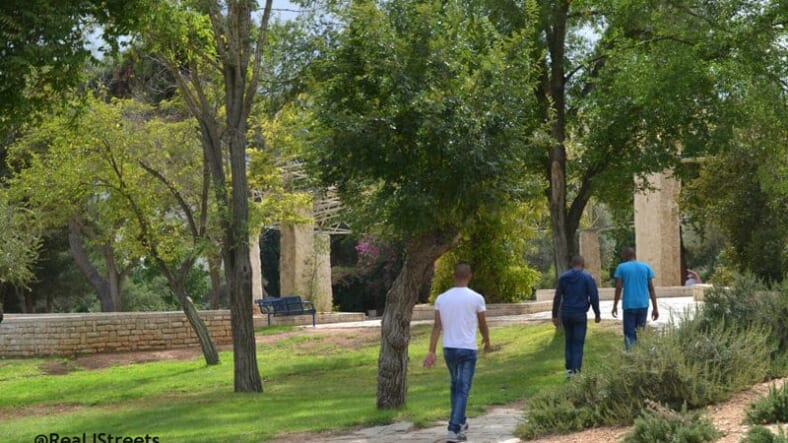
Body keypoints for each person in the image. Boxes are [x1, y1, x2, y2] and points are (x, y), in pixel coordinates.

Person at [423, 262, 492, 443]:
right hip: (468, 349)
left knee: (455, 386)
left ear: (454, 276)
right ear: (469, 276)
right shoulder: (476, 298)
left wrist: (431, 350)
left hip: (449, 349)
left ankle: (460, 421)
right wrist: (487, 340)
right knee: (463, 389)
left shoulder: (442, 298)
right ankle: (454, 428)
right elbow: (482, 323)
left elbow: (437, 326)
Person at [551, 255, 601, 378]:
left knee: (569, 340)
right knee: (578, 342)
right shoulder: (587, 278)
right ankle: (576, 370)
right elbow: (593, 296)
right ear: (582, 265)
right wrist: (597, 313)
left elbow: (557, 296)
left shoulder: (563, 278)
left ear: (571, 264)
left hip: (566, 313)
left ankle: (569, 369)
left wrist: (554, 315)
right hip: (580, 314)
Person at [612, 247, 659, 349]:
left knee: (629, 334)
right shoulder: (646, 267)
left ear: (625, 256)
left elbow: (619, 287)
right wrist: (655, 308)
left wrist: (615, 305)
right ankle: (640, 358)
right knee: (640, 333)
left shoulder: (621, 267)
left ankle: (631, 356)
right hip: (643, 304)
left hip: (629, 305)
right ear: (635, 255)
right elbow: (651, 288)